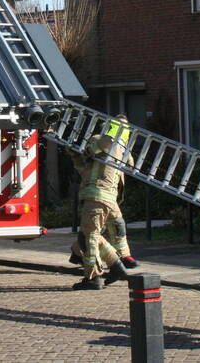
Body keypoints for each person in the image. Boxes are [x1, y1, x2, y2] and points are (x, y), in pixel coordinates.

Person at [71, 114, 136, 290]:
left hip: (95, 195)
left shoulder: (99, 139)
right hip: (110, 199)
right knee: (116, 226)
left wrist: (76, 151)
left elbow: (88, 153)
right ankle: (120, 259)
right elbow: (130, 165)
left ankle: (93, 277)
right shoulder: (124, 151)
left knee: (90, 235)